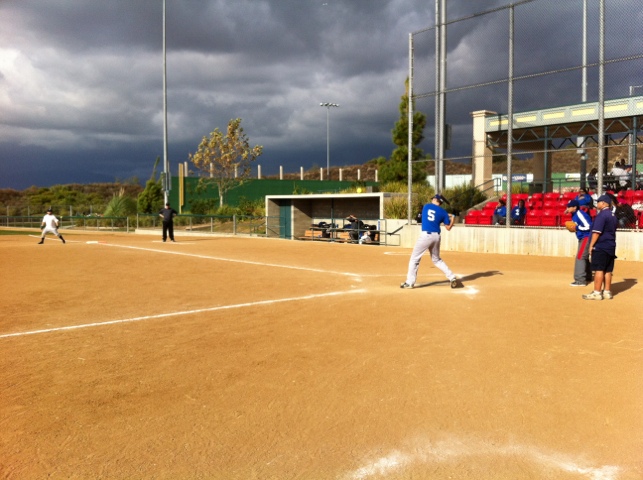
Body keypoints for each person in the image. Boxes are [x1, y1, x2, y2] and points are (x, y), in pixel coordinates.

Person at [401, 194, 460, 289]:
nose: (432, 199)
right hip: (436, 237)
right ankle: (452, 277)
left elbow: (434, 212)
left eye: (433, 198)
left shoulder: (426, 206)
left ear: (436, 200)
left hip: (426, 236)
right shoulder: (443, 212)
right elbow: (448, 228)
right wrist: (452, 217)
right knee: (437, 260)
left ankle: (409, 282)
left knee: (414, 259)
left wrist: (448, 214)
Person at [582, 194, 618, 301]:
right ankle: (607, 291)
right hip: (610, 245)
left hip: (601, 245)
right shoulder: (613, 215)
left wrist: (591, 245)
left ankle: (597, 292)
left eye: (598, 202)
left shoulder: (602, 215)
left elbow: (597, 233)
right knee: (608, 270)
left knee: (599, 269)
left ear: (603, 203)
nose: (597, 204)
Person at [565, 200, 592, 287]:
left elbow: (589, 226)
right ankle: (587, 276)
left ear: (575, 207)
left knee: (580, 257)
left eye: (569, 207)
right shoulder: (574, 214)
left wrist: (577, 227)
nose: (567, 208)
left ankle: (580, 280)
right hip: (583, 237)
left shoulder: (579, 214)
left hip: (586, 237)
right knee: (584, 257)